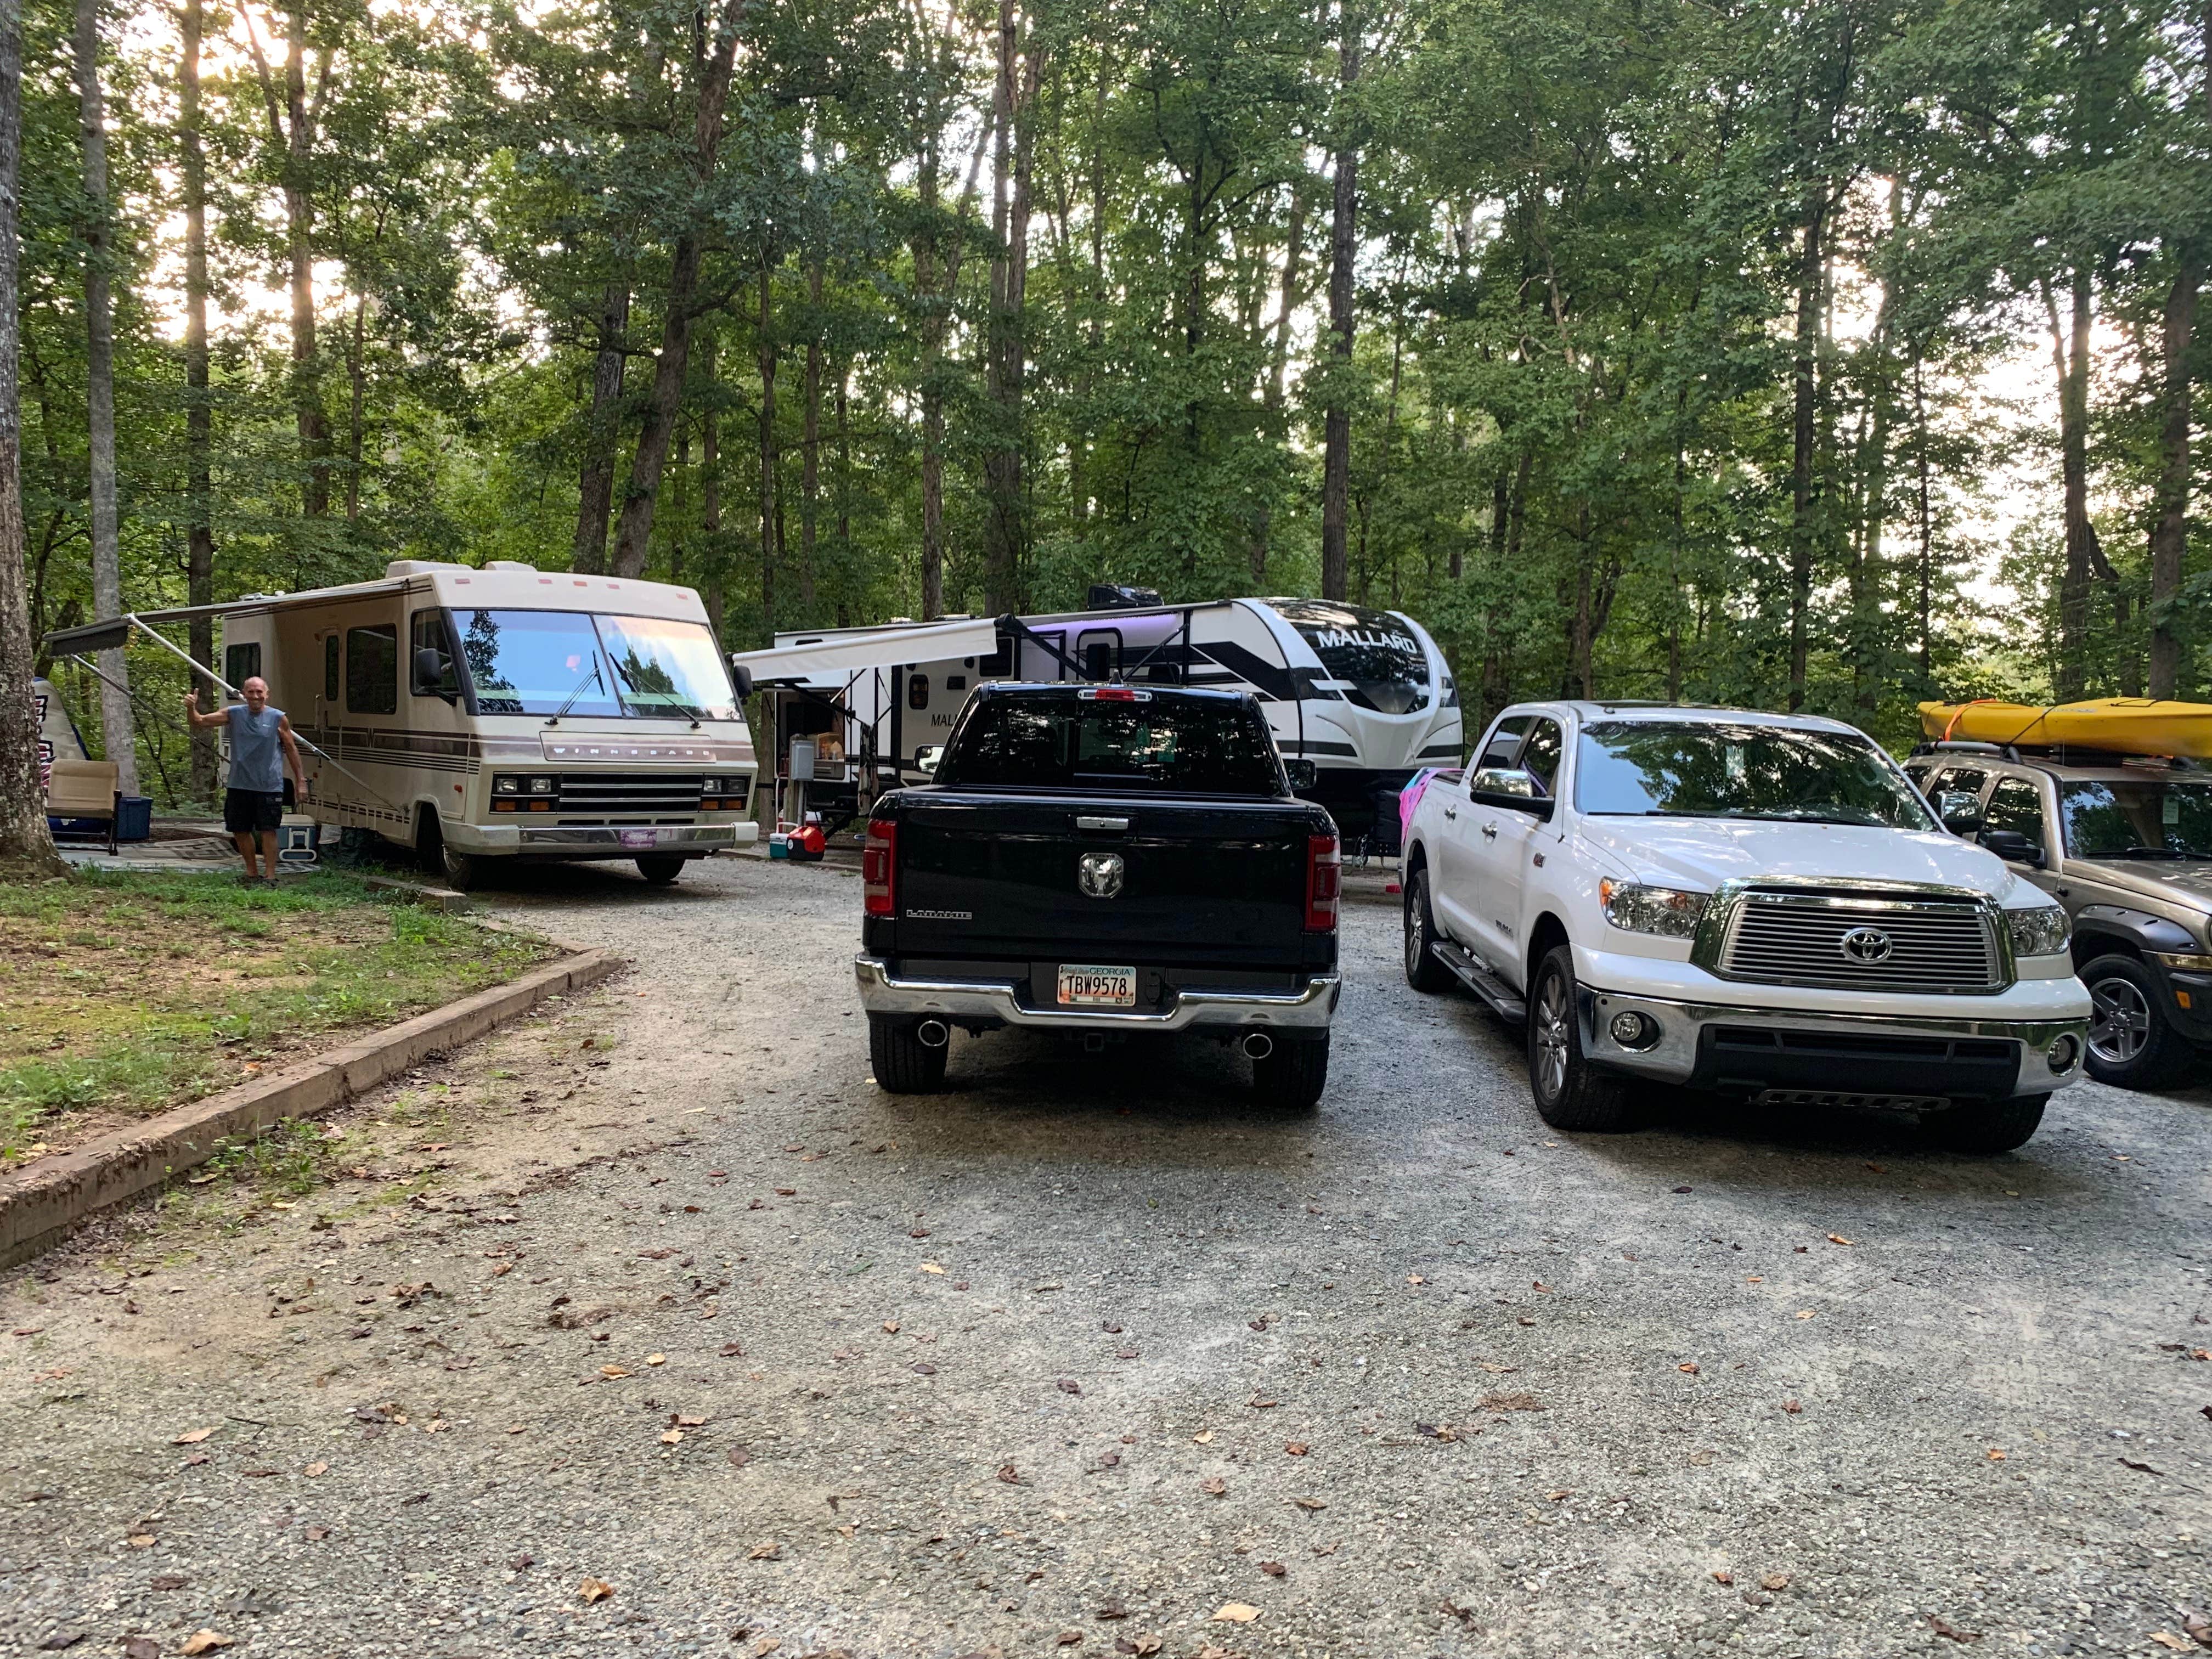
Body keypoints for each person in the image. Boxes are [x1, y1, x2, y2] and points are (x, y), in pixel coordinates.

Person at [185, 677, 305, 885]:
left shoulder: (278, 718)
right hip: (239, 784)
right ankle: (251, 873)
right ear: (243, 694)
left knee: (268, 830)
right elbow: (199, 721)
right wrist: (190, 707)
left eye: (259, 692)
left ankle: (270, 876)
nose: (255, 696)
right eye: (251, 692)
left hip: (269, 786)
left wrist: (300, 781)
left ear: (267, 694)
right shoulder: (234, 714)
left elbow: (292, 749)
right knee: (240, 830)